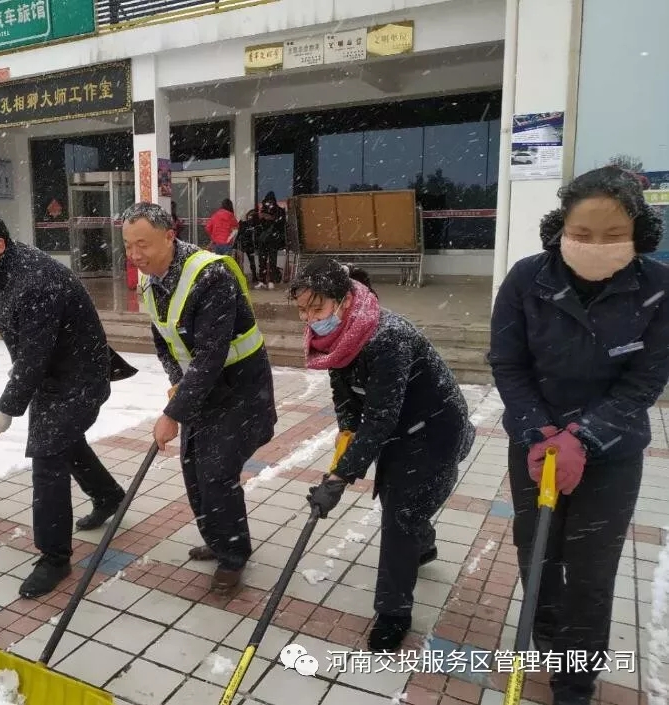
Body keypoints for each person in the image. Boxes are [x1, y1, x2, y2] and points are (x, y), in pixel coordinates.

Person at [489, 166, 669, 705]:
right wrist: (539, 430)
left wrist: (584, 437)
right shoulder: (528, 278)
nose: (596, 245)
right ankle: (549, 639)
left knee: (591, 570)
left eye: (614, 234)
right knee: (536, 552)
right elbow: (508, 363)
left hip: (612, 454)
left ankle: (575, 682)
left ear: (638, 232)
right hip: (536, 443)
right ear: (560, 227)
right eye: (582, 233)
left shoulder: (658, 287)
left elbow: (645, 379)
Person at [0, 207, 137, 598]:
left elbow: (34, 355)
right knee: (63, 442)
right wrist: (20, 384)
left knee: (48, 457)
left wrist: (7, 407)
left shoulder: (34, 281)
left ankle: (54, 557)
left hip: (79, 377)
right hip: (55, 374)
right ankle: (108, 495)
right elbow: (31, 350)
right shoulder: (5, 270)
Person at [297, 258, 475, 651]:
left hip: (434, 430)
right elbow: (346, 397)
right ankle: (422, 545)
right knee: (403, 506)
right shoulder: (337, 336)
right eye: (303, 310)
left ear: (344, 300)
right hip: (399, 428)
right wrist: (345, 440)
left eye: (317, 308)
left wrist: (339, 479)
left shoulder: (386, 337)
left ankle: (394, 613)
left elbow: (379, 418)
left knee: (400, 514)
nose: (310, 319)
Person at [121, 202, 277, 595]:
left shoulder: (211, 275)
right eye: (128, 245)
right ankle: (218, 537)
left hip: (239, 389)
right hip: (202, 388)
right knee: (193, 469)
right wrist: (179, 385)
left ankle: (233, 554)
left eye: (143, 244)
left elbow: (210, 354)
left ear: (169, 236)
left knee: (216, 473)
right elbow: (164, 340)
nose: (135, 255)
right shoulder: (150, 280)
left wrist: (173, 412)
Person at [256, 191, 286, 289]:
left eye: (270, 201)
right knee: (263, 261)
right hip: (265, 240)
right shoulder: (263, 210)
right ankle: (263, 280)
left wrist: (270, 218)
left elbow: (281, 224)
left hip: (273, 239)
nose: (268, 204)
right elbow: (257, 225)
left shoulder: (279, 211)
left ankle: (270, 281)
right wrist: (261, 218)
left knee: (271, 261)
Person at [235, 208, 259, 281]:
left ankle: (252, 276)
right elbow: (239, 234)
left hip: (247, 244)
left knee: (248, 261)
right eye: (249, 216)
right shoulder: (245, 224)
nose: (250, 217)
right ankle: (249, 276)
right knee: (245, 261)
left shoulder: (252, 225)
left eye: (251, 216)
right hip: (245, 244)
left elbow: (239, 234)